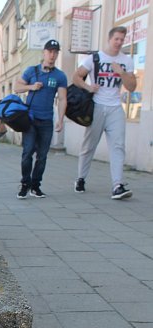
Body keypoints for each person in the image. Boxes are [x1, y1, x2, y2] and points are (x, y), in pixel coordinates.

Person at [72, 26, 136, 200]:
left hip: (116, 107)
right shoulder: (95, 58)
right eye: (116, 39)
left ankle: (117, 185)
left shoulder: (127, 61)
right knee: (88, 147)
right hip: (97, 106)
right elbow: (76, 77)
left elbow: (132, 87)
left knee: (118, 146)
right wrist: (88, 87)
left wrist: (121, 72)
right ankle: (80, 178)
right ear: (109, 39)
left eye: (122, 40)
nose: (119, 42)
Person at [14, 39, 67, 199]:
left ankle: (36, 186)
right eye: (49, 51)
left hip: (46, 121)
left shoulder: (59, 75)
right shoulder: (32, 71)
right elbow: (17, 87)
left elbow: (63, 98)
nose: (52, 55)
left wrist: (61, 119)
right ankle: (25, 184)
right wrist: (31, 87)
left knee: (42, 156)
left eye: (55, 52)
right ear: (44, 53)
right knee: (27, 152)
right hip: (30, 119)